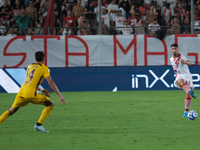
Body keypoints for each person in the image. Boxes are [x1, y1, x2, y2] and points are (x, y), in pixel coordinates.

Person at [0, 51, 65, 133]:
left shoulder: (29, 66)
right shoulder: (44, 68)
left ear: (35, 58)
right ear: (43, 59)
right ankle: (39, 125)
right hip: (30, 94)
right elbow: (50, 82)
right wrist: (59, 95)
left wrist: (41, 90)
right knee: (50, 104)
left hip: (21, 92)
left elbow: (30, 82)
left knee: (11, 111)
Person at [170, 43, 197, 118]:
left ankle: (186, 112)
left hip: (187, 76)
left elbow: (190, 63)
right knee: (180, 81)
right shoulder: (171, 59)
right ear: (171, 50)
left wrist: (185, 62)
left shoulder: (182, 57)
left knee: (187, 94)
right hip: (179, 76)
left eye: (175, 48)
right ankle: (190, 91)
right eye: (173, 48)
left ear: (178, 49)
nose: (174, 50)